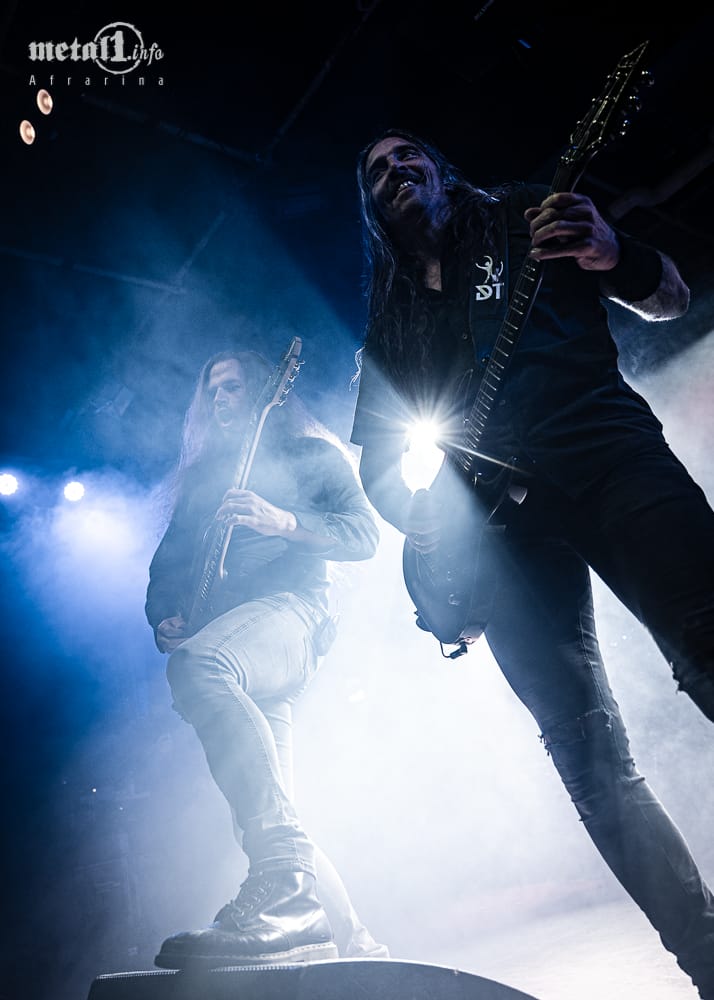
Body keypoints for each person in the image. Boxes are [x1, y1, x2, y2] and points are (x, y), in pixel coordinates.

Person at [349, 128, 714, 997]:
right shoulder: (391, 322)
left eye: (408, 156)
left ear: (442, 170)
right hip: (501, 535)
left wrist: (613, 251)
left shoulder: (524, 216)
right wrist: (437, 535)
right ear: (371, 209)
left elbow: (670, 297)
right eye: (376, 171)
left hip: (608, 457)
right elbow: (379, 469)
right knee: (587, 759)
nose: (396, 170)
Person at [145, 346, 387, 968]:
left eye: (233, 386)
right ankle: (359, 949)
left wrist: (284, 521)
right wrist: (164, 614)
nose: (221, 399)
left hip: (294, 615)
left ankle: (282, 885)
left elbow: (364, 535)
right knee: (267, 808)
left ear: (267, 390)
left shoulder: (312, 456)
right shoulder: (202, 480)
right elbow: (165, 566)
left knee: (199, 667)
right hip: (232, 642)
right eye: (213, 391)